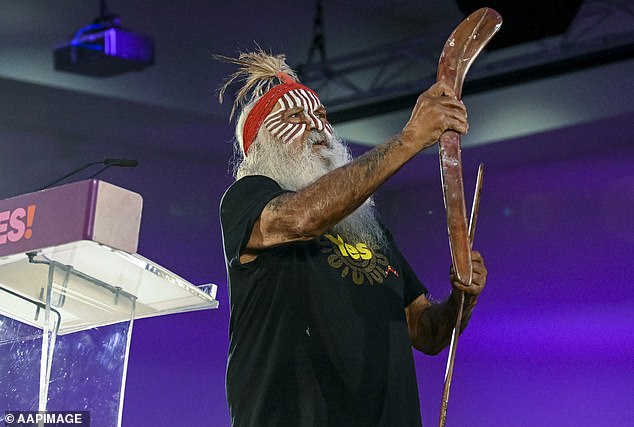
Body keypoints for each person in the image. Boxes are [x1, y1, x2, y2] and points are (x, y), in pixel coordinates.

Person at [217, 50, 487, 427]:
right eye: (295, 117)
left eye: (323, 116)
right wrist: (410, 139)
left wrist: (462, 298)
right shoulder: (248, 198)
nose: (316, 126)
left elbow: (425, 332)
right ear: (261, 143)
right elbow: (301, 217)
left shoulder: (363, 225)